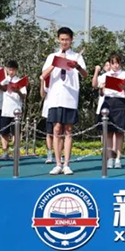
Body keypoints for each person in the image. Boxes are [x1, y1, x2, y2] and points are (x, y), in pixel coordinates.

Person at [41, 27, 87, 176]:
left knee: (68, 130)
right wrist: (56, 63)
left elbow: (85, 75)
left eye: (67, 39)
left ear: (71, 40)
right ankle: (57, 164)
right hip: (55, 97)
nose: (64, 42)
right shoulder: (52, 56)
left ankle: (67, 164)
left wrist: (77, 66)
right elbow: (43, 75)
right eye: (62, 39)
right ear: (58, 40)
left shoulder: (76, 56)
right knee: (56, 129)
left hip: (70, 96)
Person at [98, 53, 125, 169]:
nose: (116, 65)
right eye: (113, 63)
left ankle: (118, 158)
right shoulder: (105, 76)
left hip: (120, 103)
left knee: (119, 133)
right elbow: (101, 93)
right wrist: (101, 88)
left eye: (117, 63)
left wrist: (124, 87)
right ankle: (109, 158)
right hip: (108, 102)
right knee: (108, 133)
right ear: (110, 64)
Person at [0, 60, 27, 160]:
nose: (11, 72)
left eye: (13, 70)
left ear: (16, 70)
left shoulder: (20, 81)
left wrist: (17, 91)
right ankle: (5, 152)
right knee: (4, 133)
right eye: (10, 70)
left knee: (16, 133)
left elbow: (24, 96)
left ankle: (15, 152)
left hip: (16, 110)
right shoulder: (3, 81)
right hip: (5, 110)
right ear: (6, 69)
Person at [40, 73, 55, 164]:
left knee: (59, 134)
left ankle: (60, 154)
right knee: (49, 133)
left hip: (58, 108)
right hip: (48, 110)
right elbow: (42, 95)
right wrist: (42, 82)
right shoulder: (47, 80)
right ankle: (49, 154)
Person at [92, 61, 111, 125]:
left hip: (112, 107)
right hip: (102, 106)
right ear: (104, 67)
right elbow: (94, 85)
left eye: (110, 65)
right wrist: (96, 71)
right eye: (107, 65)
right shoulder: (102, 77)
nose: (108, 67)